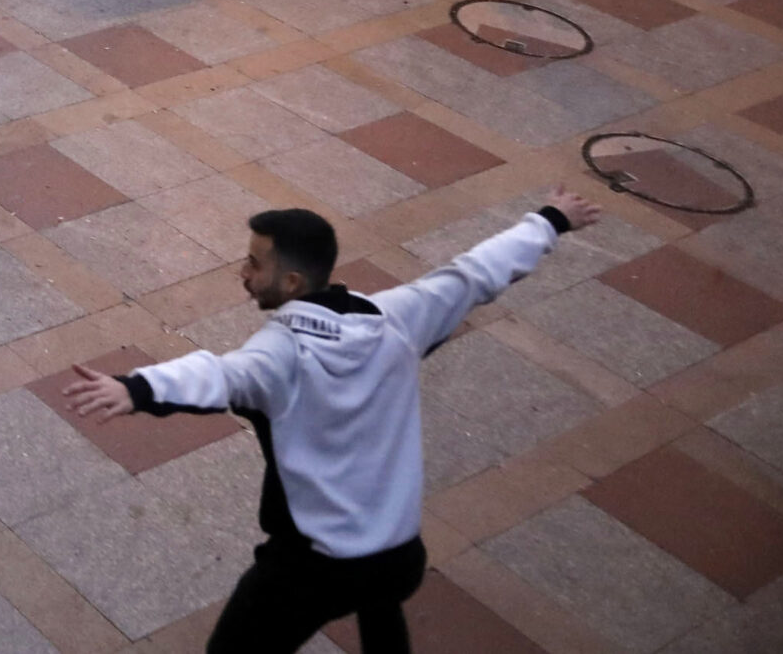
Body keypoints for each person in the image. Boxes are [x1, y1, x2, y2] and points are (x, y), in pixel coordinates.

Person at [64, 190, 605, 654]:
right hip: (397, 554)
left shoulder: (283, 354)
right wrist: (550, 219)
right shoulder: (398, 318)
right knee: (379, 603)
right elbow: (474, 273)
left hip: (312, 567)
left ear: (293, 281)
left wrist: (135, 389)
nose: (244, 273)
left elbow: (220, 376)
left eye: (255, 264)